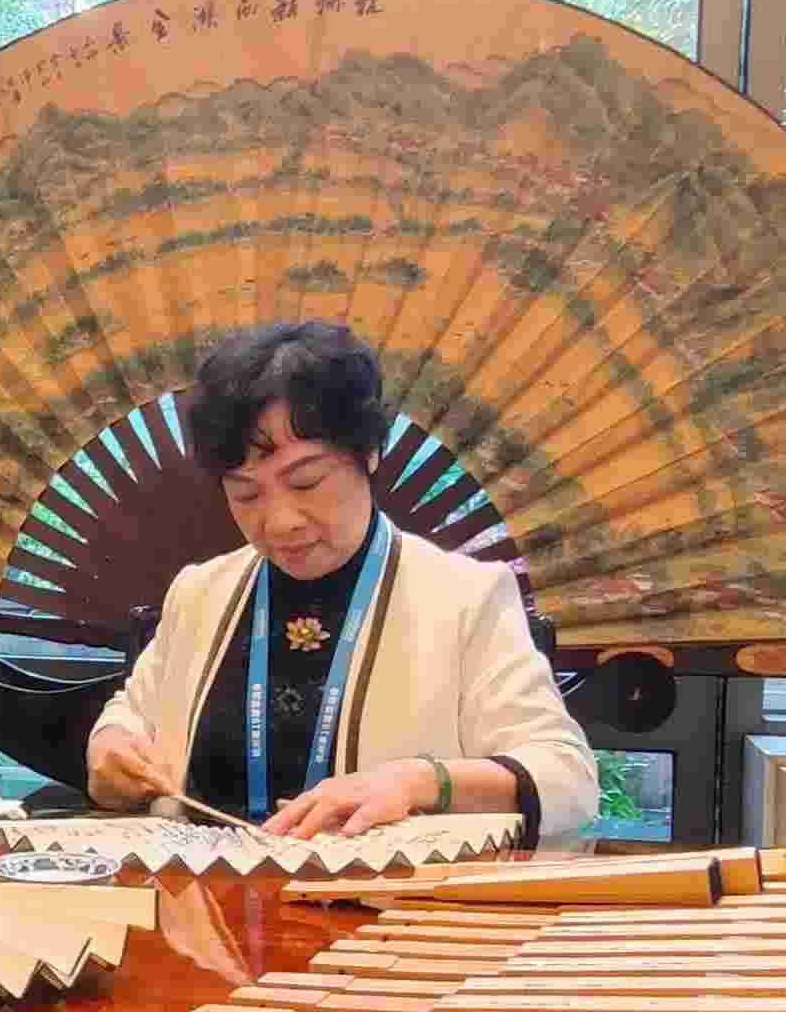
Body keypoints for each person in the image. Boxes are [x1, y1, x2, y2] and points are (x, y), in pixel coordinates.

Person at [86, 320, 599, 842]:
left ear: (368, 453)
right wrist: (111, 746)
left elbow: (567, 779)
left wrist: (419, 782)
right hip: (205, 888)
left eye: (306, 481)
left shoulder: (467, 597)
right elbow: (130, 718)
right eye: (246, 494)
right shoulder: (200, 593)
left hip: (390, 893)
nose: (280, 522)